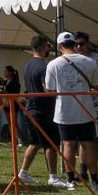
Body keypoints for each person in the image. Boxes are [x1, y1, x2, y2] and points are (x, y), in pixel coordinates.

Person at [45, 32, 98, 193]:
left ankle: (70, 180)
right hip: (86, 110)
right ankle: (94, 181)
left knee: (68, 145)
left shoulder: (53, 64)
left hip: (64, 112)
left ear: (60, 46)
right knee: (88, 145)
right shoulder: (89, 62)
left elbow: (50, 89)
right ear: (74, 44)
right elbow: (96, 84)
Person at [15, 35, 62, 186]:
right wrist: (59, 93)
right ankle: (53, 176)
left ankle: (23, 173)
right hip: (43, 111)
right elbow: (46, 88)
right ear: (44, 47)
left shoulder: (28, 65)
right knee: (51, 144)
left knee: (34, 143)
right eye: (48, 46)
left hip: (31, 109)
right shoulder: (44, 67)